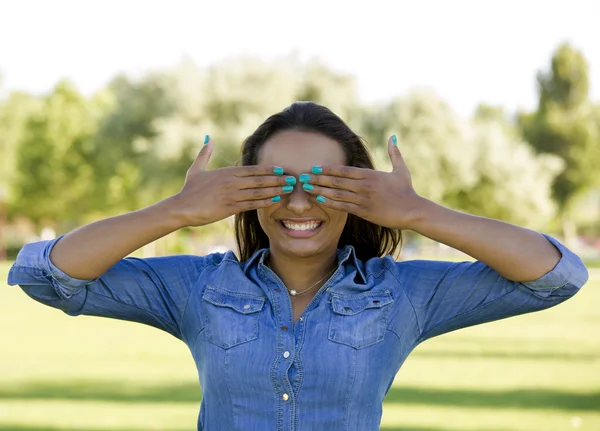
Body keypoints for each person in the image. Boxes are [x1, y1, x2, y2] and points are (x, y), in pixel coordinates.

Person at [7, 101, 589, 431]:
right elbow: (43, 275)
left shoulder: (401, 295)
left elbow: (557, 275)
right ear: (246, 192)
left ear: (358, 194)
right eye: (277, 183)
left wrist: (417, 213)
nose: (300, 203)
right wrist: (177, 210)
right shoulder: (197, 289)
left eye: (323, 185)